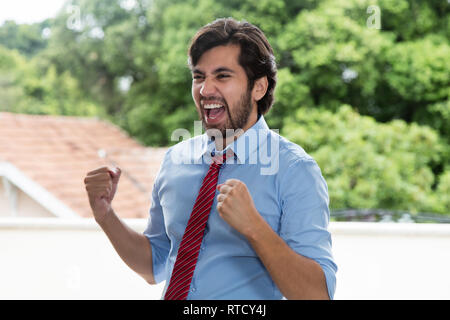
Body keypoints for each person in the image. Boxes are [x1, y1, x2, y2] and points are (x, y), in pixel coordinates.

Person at [84, 18, 337, 300]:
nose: (205, 90)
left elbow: (317, 295)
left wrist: (255, 227)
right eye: (199, 76)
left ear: (259, 87)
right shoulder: (175, 160)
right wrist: (106, 215)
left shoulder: (295, 170)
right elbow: (154, 265)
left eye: (222, 76)